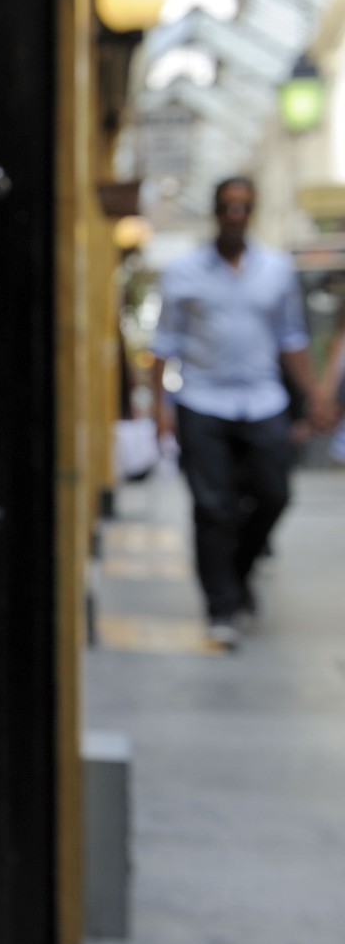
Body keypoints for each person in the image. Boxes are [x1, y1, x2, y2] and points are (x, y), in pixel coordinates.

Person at [150, 177, 331, 648]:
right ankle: (222, 606)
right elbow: (163, 347)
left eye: (244, 207)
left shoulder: (275, 269)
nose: (236, 215)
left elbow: (291, 339)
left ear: (252, 212)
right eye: (228, 207)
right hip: (202, 401)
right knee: (212, 507)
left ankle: (240, 571)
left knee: (274, 494)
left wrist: (314, 394)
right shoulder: (184, 272)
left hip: (262, 399)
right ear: (215, 212)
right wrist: (159, 413)